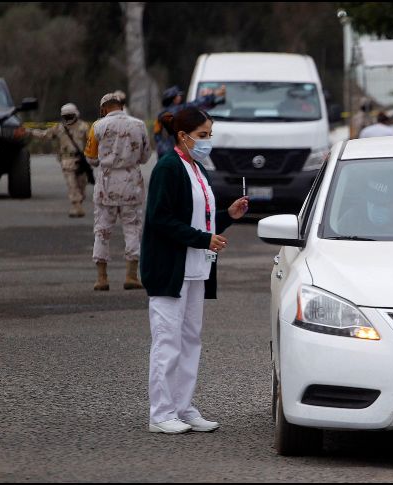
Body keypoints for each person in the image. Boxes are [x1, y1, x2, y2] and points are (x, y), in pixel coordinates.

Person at [140, 107, 249, 434]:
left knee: (190, 341)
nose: (207, 142)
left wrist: (227, 215)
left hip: (196, 269)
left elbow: (201, 217)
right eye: (202, 136)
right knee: (167, 342)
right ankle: (160, 414)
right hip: (169, 270)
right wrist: (204, 238)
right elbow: (160, 219)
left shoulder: (197, 169)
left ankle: (183, 407)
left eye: (209, 136)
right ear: (183, 136)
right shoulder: (168, 168)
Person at [84, 93, 151, 291]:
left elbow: (90, 157)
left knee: (102, 230)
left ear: (104, 109)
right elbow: (146, 156)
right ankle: (131, 275)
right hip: (131, 184)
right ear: (120, 106)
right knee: (132, 229)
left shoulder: (97, 126)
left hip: (106, 184)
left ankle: (102, 278)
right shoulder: (139, 125)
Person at [27, 103, 90, 217]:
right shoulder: (59, 128)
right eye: (66, 116)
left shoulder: (84, 127)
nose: (68, 118)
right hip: (67, 159)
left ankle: (79, 201)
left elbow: (91, 142)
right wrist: (30, 132)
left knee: (81, 183)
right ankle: (76, 206)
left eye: (70, 115)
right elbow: (44, 134)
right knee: (72, 184)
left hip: (81, 160)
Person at [154, 84, 226, 159]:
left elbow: (157, 135)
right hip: (175, 153)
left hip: (163, 152)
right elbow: (197, 103)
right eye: (178, 95)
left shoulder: (160, 115)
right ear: (174, 98)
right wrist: (214, 94)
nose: (180, 97)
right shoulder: (180, 110)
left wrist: (161, 147)